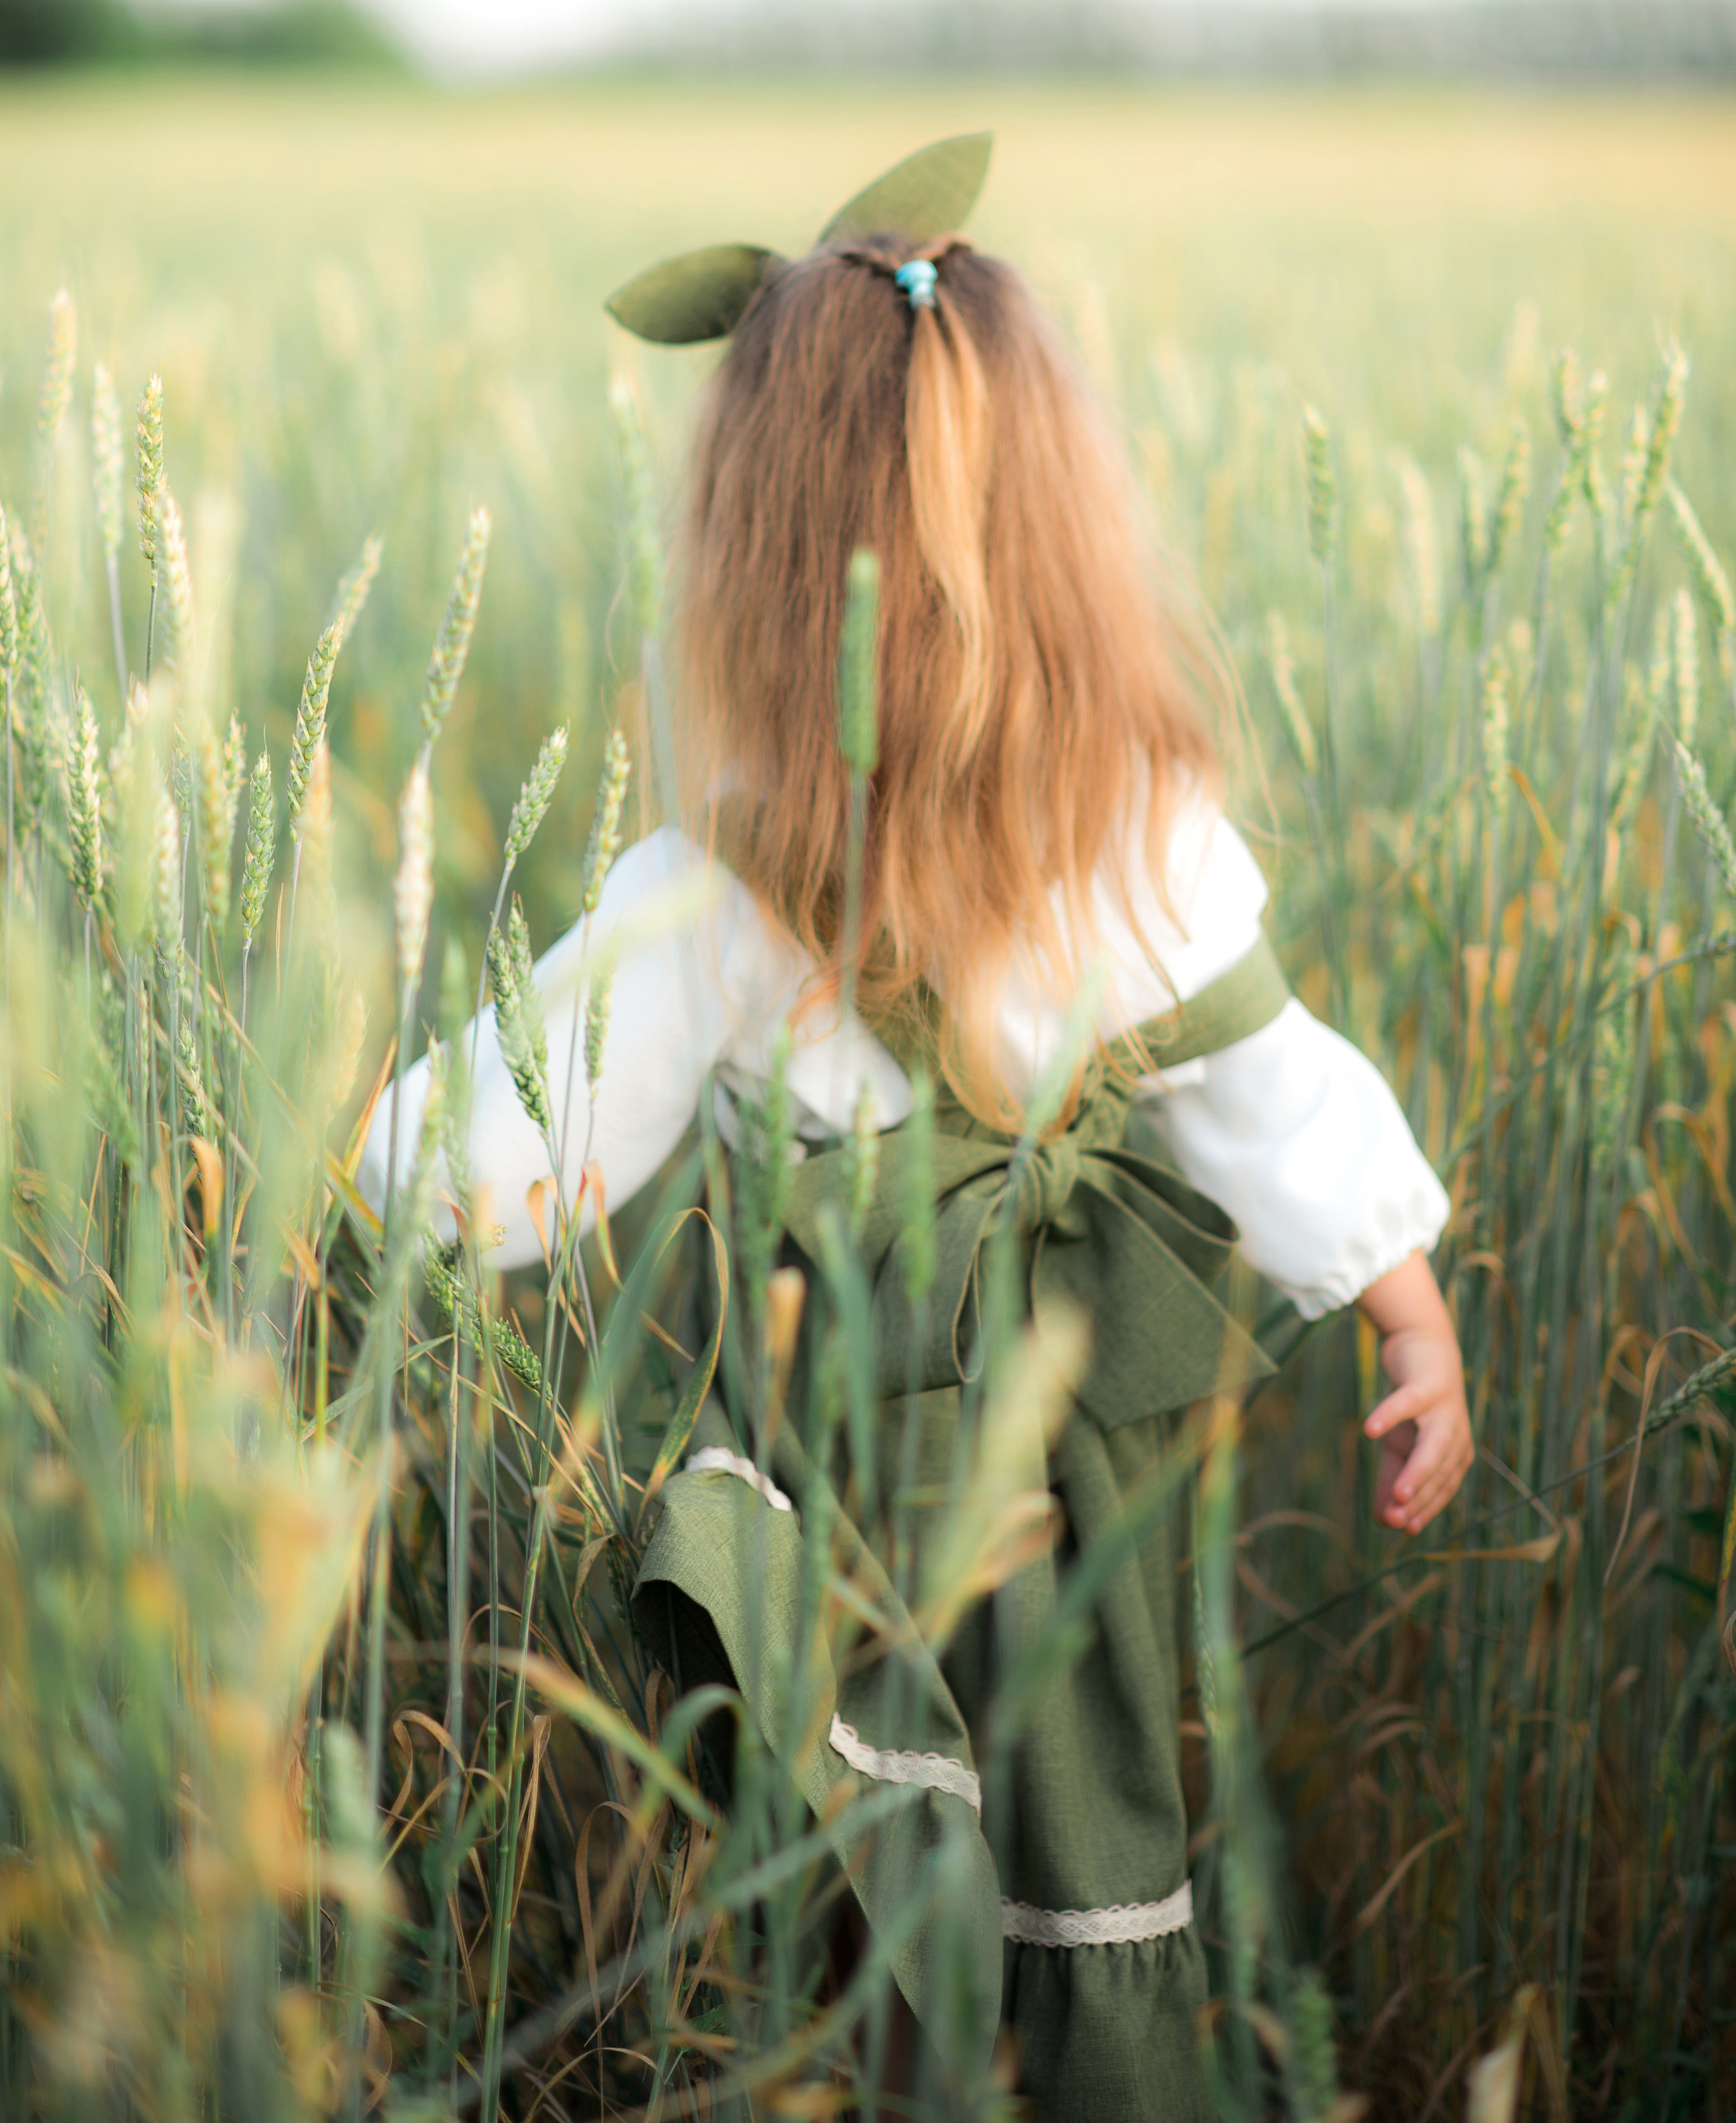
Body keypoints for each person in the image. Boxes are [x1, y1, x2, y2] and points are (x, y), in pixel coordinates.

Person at [363, 135, 1472, 2120]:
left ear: (758, 562)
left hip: (836, 1502)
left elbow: (513, 1140)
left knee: (866, 1894)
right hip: (1083, 1501)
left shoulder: (716, 889)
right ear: (1062, 532)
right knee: (1091, 1854)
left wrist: (337, 1201)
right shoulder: (1150, 836)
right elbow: (1270, 1088)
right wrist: (1409, 1311)